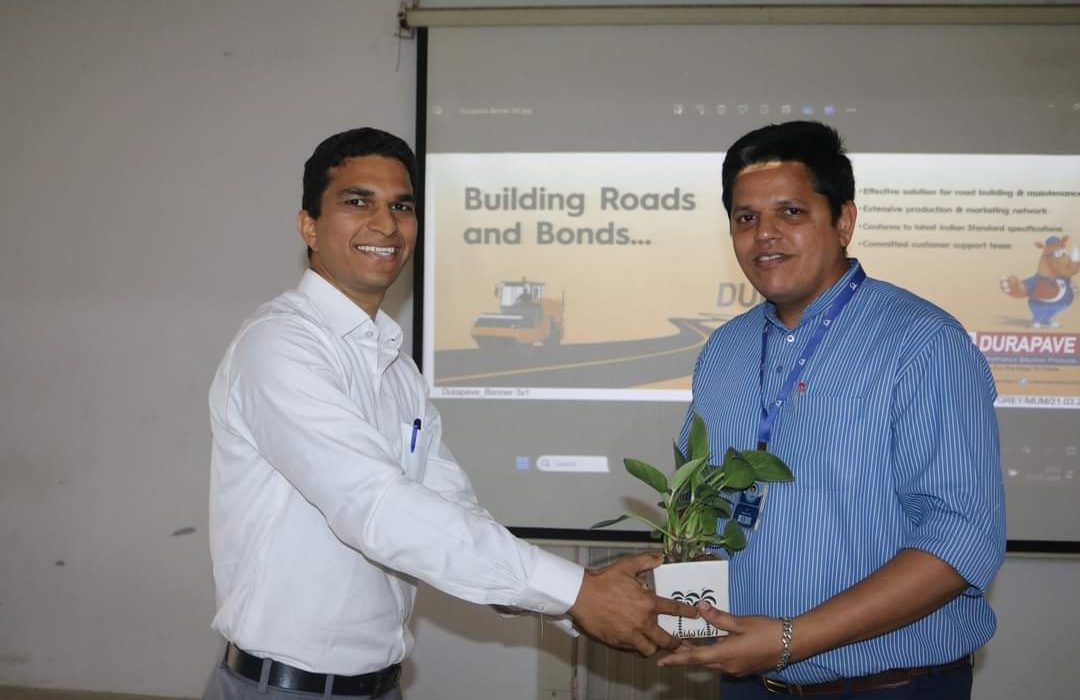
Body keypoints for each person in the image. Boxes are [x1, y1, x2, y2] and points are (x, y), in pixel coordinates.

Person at [203, 127, 693, 700]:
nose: (386, 225)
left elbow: (452, 511)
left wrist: (579, 603)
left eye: (402, 207)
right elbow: (378, 508)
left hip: (379, 687)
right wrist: (579, 593)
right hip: (281, 690)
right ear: (309, 226)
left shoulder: (396, 367)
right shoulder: (278, 345)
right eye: (358, 202)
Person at [658, 121, 1006, 699]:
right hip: (749, 681)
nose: (765, 235)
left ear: (843, 221)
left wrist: (789, 639)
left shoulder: (922, 343)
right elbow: (701, 507)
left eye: (790, 212)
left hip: (885, 688)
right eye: (746, 218)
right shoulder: (725, 349)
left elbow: (962, 537)